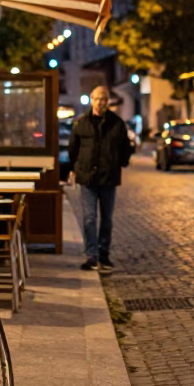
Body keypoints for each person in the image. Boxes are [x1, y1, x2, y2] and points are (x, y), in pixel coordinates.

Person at [68, 86, 132, 275]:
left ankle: (104, 254)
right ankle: (91, 255)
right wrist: (74, 169)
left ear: (108, 101)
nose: (101, 102)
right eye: (98, 99)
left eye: (104, 99)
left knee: (107, 219)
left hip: (108, 178)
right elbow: (73, 149)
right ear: (91, 99)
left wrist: (120, 162)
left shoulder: (116, 123)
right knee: (89, 218)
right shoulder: (81, 123)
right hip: (87, 179)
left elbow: (125, 148)